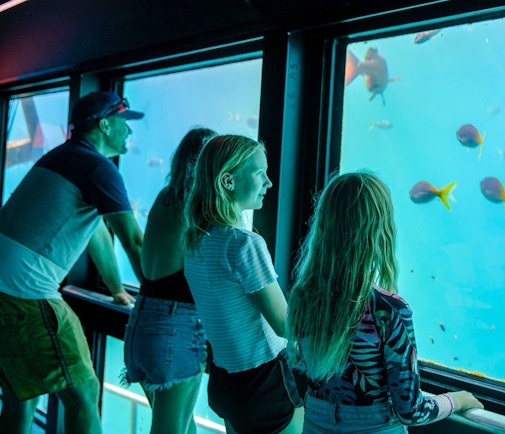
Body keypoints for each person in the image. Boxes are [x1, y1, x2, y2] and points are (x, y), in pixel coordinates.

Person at [286, 172, 484, 433]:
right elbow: (411, 411)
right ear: (380, 231)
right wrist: (458, 400)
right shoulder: (389, 310)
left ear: (324, 224)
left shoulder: (304, 296)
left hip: (315, 422)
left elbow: (302, 375)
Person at [0, 91, 145, 434]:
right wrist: (159, 299)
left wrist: (117, 291)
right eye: (124, 123)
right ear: (105, 124)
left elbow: (96, 237)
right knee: (83, 393)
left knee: (21, 393)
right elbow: (135, 242)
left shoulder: (61, 157)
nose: (129, 132)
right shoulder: (98, 167)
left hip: (4, 288)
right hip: (26, 293)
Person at [182, 135, 303, 434]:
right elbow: (285, 326)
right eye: (259, 172)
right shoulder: (244, 244)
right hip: (265, 383)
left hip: (226, 382)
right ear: (228, 181)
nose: (269, 182)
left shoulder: (194, 242)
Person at [122, 127, 217, 434]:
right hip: (174, 332)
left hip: (141, 325)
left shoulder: (165, 197)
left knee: (180, 425)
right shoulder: (197, 206)